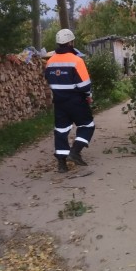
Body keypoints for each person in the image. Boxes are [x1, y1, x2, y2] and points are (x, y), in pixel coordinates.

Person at [44, 28, 95, 173]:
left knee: (61, 131)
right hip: (76, 101)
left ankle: (62, 164)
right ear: (71, 42)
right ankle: (75, 151)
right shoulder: (77, 60)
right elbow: (85, 85)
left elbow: (48, 79)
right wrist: (87, 95)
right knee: (87, 125)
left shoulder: (50, 61)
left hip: (59, 102)